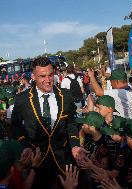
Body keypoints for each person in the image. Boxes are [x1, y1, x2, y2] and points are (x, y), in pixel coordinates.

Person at [11, 57, 84, 189]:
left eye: (50, 75)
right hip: (37, 160)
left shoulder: (66, 95)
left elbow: (71, 124)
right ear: (33, 76)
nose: (48, 80)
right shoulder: (22, 99)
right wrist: (25, 145)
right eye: (42, 76)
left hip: (63, 158)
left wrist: (75, 145)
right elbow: (15, 126)